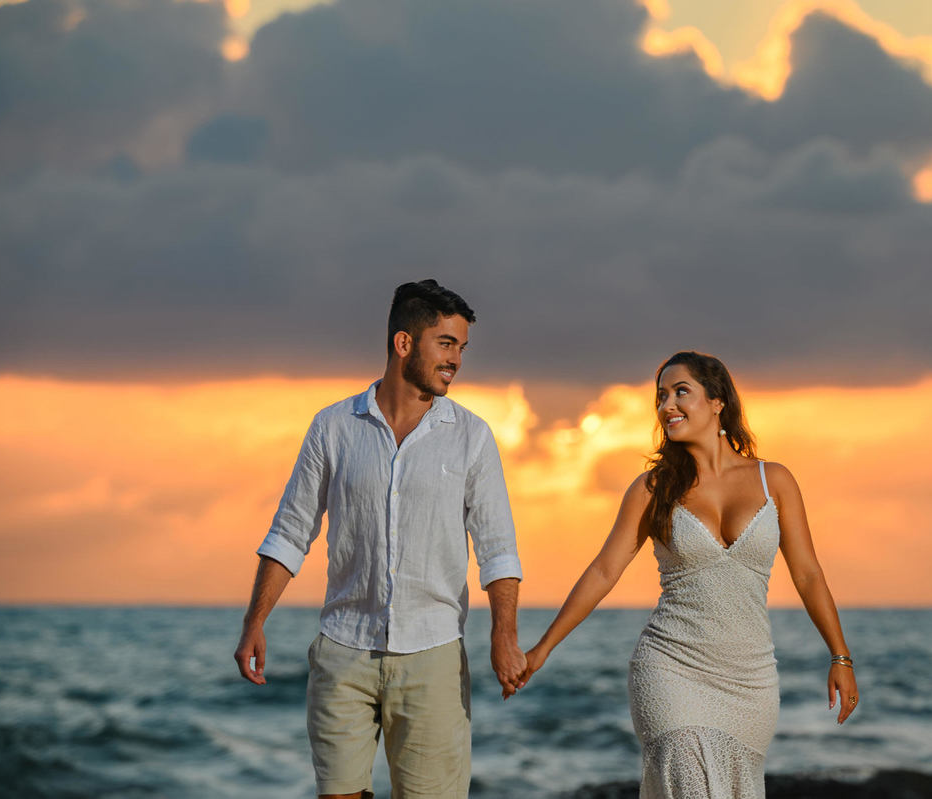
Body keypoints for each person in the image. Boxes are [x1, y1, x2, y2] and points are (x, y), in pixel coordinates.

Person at [233, 279, 527, 799]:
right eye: (446, 344)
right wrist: (255, 620)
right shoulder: (333, 427)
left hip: (432, 653)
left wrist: (503, 633)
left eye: (462, 347)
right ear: (404, 343)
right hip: (343, 650)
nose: (456, 359)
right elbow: (290, 529)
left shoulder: (472, 436)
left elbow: (497, 548)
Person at [517, 351, 858, 799]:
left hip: (749, 680)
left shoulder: (773, 480)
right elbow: (603, 571)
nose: (667, 406)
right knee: (689, 772)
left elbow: (809, 575)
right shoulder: (653, 489)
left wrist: (840, 657)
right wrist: (543, 648)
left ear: (718, 402)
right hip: (670, 667)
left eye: (681, 392)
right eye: (661, 396)